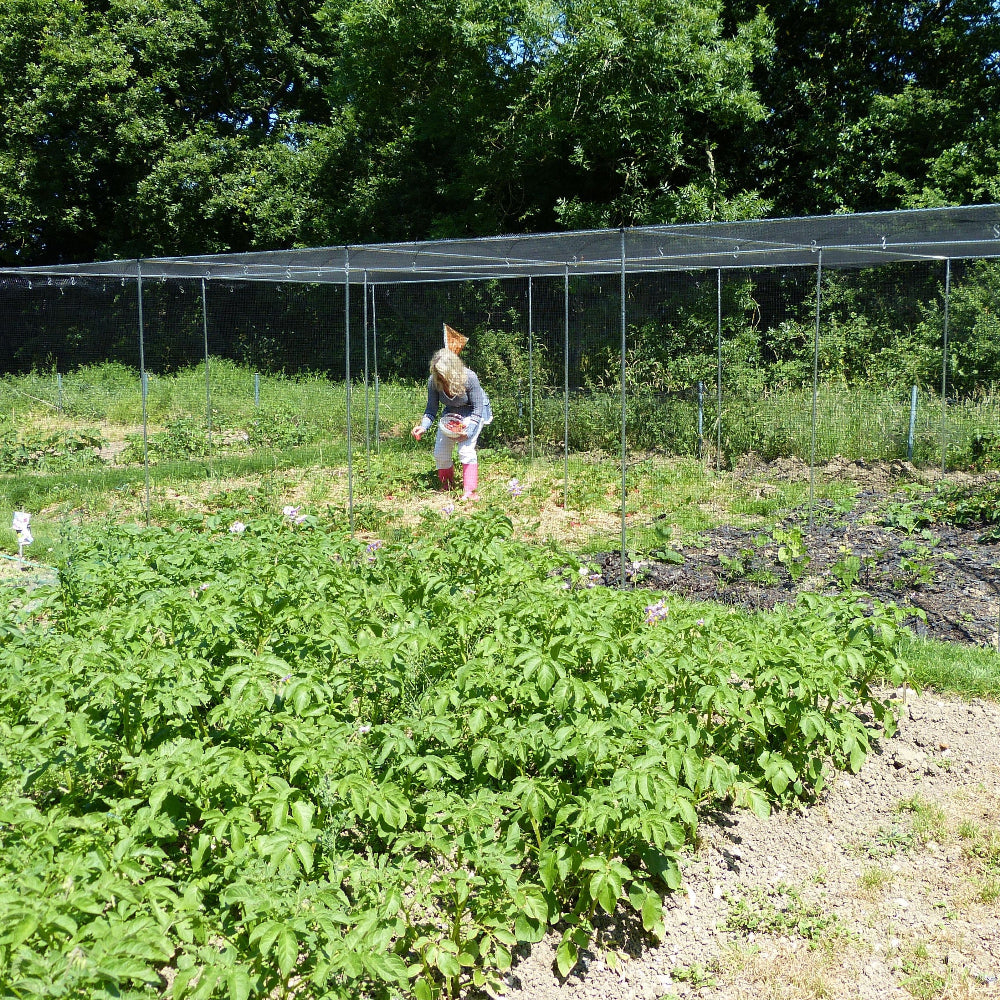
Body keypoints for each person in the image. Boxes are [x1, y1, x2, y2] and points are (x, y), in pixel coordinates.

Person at [411, 347, 492, 500]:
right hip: (451, 414)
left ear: (453, 371)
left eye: (443, 375)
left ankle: (470, 492)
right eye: (438, 375)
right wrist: (423, 426)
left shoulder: (469, 377)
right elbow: (431, 409)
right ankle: (447, 485)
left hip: (473, 413)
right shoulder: (433, 381)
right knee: (440, 452)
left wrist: (468, 431)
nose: (440, 379)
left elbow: (478, 408)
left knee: (465, 451)